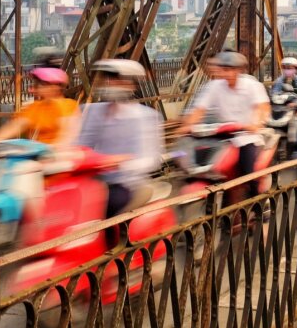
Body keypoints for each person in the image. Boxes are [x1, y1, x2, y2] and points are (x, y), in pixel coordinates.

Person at [75, 60, 163, 218]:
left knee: (109, 204)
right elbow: (80, 144)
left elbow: (151, 159)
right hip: (94, 181)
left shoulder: (146, 116)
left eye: (118, 79)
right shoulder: (93, 112)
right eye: (109, 78)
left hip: (127, 184)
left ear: (131, 85)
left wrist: (119, 163)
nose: (111, 83)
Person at [179, 51, 269, 197]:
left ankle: (258, 202)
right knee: (195, 162)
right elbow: (199, 109)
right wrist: (187, 125)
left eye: (229, 69)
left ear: (239, 70)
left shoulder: (252, 86)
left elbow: (263, 107)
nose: (224, 73)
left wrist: (256, 124)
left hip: (246, 136)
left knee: (248, 171)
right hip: (222, 135)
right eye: (223, 69)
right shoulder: (214, 86)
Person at [0, 67, 79, 145]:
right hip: (39, 153)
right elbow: (16, 126)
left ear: (54, 87)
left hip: (62, 155)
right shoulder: (35, 107)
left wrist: (54, 149)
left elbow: (67, 134)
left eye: (38, 85)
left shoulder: (68, 106)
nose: (33, 89)